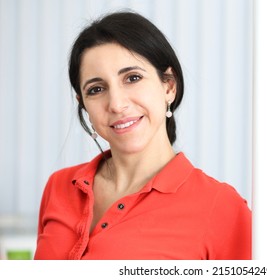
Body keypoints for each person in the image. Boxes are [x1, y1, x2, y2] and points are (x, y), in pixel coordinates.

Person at [34, 11, 251, 260]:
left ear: (169, 86)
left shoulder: (222, 207)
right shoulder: (59, 186)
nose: (116, 104)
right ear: (82, 104)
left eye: (132, 78)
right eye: (96, 89)